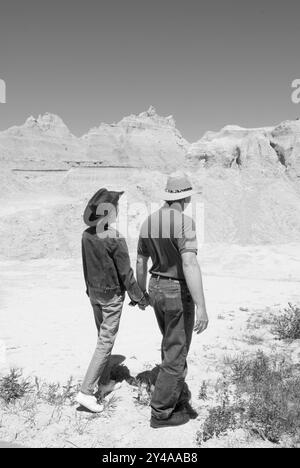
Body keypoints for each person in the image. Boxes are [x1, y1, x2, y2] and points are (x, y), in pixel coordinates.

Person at [136, 173, 208, 428]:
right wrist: (201, 304)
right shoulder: (185, 223)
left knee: (170, 343)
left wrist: (142, 292)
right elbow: (189, 262)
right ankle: (162, 412)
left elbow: (141, 261)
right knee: (176, 351)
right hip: (176, 291)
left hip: (155, 288)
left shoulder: (148, 222)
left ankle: (173, 392)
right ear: (185, 197)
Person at [76, 188, 148, 413]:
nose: (117, 211)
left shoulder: (87, 235)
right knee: (105, 343)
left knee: (102, 339)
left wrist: (89, 291)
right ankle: (86, 393)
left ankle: (104, 383)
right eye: (114, 208)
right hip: (111, 297)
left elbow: (86, 268)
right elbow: (126, 274)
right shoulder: (114, 238)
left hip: (94, 295)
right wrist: (140, 298)